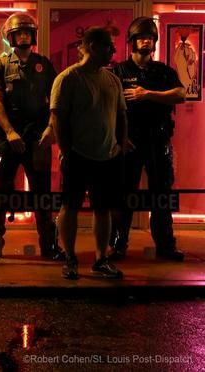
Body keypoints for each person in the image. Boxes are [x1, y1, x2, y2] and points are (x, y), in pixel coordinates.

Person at [0, 13, 64, 261]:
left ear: (33, 36)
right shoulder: (1, 64)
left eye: (28, 32)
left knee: (42, 194)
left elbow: (56, 100)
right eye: (20, 33)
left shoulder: (44, 64)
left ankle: (49, 246)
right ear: (11, 37)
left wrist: (51, 128)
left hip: (37, 136)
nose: (24, 36)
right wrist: (9, 131)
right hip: (9, 136)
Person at [50, 27, 128, 279]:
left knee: (102, 208)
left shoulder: (112, 79)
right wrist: (65, 150)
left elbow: (122, 113)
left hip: (107, 155)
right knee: (70, 206)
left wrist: (121, 143)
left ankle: (100, 258)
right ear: (93, 46)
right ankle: (70, 258)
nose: (113, 51)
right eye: (109, 46)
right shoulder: (68, 78)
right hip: (78, 154)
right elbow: (57, 117)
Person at [109, 17, 186, 261]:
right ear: (132, 41)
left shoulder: (163, 71)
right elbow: (107, 106)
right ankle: (118, 245)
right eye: (142, 37)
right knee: (123, 195)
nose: (146, 41)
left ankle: (165, 245)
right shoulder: (118, 71)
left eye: (150, 38)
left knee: (161, 195)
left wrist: (148, 94)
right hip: (129, 142)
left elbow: (180, 94)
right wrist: (118, 138)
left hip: (158, 141)